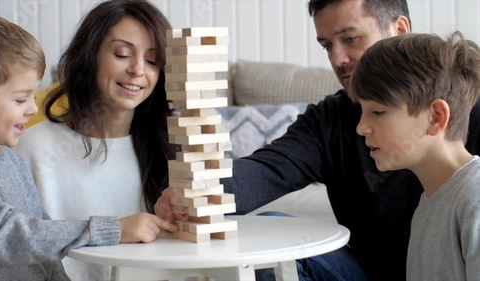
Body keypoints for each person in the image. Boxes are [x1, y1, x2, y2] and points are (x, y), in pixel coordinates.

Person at [155, 0, 480, 280]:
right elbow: (268, 170)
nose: (337, 59)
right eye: (327, 45)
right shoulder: (331, 119)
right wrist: (198, 190)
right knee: (272, 235)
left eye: (350, 38)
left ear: (399, 29)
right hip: (365, 272)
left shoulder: (467, 169)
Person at [0, 12, 176, 281]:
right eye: (121, 53)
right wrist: (112, 229)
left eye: (153, 60)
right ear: (90, 58)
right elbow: (3, 235)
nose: (33, 108)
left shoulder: (9, 161)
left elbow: (45, 252)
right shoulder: (24, 151)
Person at [352, 31, 480, 281]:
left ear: (435, 117)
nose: (361, 127)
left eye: (377, 112)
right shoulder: (429, 203)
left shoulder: (474, 200)